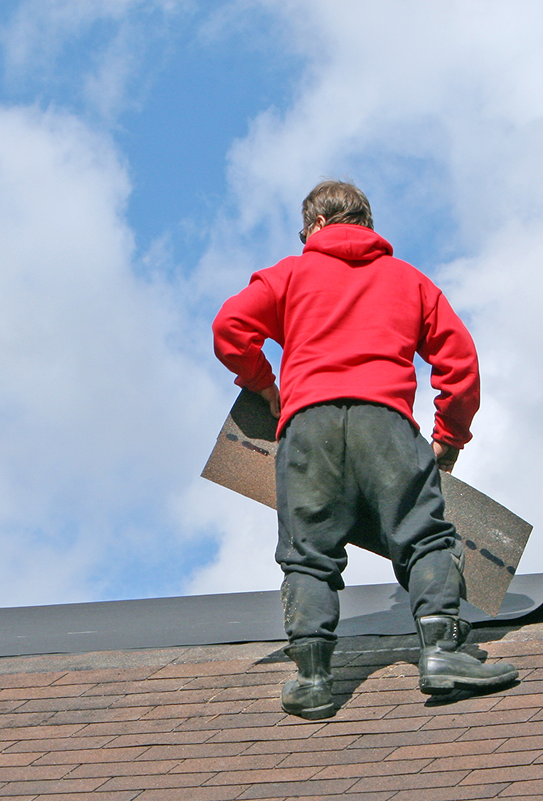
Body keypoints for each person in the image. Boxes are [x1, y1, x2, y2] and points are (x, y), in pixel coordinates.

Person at [212, 180, 518, 720]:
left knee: (308, 554)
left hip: (308, 426)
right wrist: (449, 437)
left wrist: (265, 385)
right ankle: (443, 653)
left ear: (313, 228)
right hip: (387, 426)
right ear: (367, 225)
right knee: (424, 538)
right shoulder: (409, 281)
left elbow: (229, 327)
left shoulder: (287, 275)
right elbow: (460, 365)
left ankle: (312, 679)